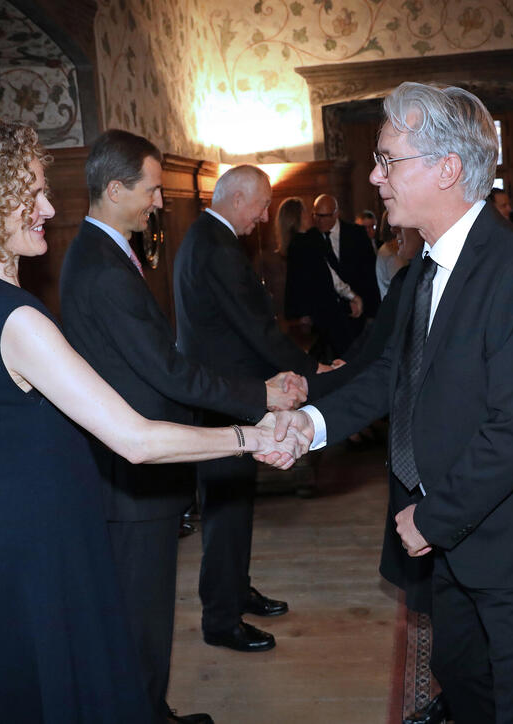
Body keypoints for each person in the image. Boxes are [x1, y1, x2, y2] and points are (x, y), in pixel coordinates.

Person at [0, 115, 304, 724]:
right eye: (29, 192)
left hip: (20, 535)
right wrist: (251, 436)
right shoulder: (18, 319)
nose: (47, 206)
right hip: (50, 544)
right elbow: (135, 441)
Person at [274, 82, 513, 724]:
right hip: (451, 541)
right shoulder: (425, 269)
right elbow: (390, 373)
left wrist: (433, 517)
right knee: (464, 682)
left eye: (388, 158)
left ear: (448, 169)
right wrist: (307, 426)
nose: (374, 175)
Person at [58, 130, 308, 724]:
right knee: (142, 616)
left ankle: (150, 710)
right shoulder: (102, 269)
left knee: (144, 612)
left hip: (132, 466)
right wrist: (260, 396)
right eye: (149, 189)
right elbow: (167, 371)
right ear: (114, 189)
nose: (157, 201)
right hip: (130, 473)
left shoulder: (104, 253)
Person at [173, 165, 336, 654]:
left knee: (236, 506)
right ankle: (220, 619)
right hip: (221, 398)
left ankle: (234, 591)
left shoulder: (210, 239)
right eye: (263, 205)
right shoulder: (214, 245)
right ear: (239, 198)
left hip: (231, 395)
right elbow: (254, 328)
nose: (266, 216)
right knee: (224, 511)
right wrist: (311, 370)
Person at [285, 197, 362, 359]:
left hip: (309, 317)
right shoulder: (307, 243)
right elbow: (330, 277)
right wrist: (353, 296)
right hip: (324, 313)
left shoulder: (293, 244)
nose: (314, 218)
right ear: (300, 216)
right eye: (310, 213)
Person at [312, 193, 381, 318]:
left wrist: (371, 311)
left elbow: (370, 274)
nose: (319, 220)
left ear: (335, 214)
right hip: (330, 313)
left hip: (362, 310)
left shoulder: (357, 234)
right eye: (316, 215)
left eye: (323, 216)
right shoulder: (311, 239)